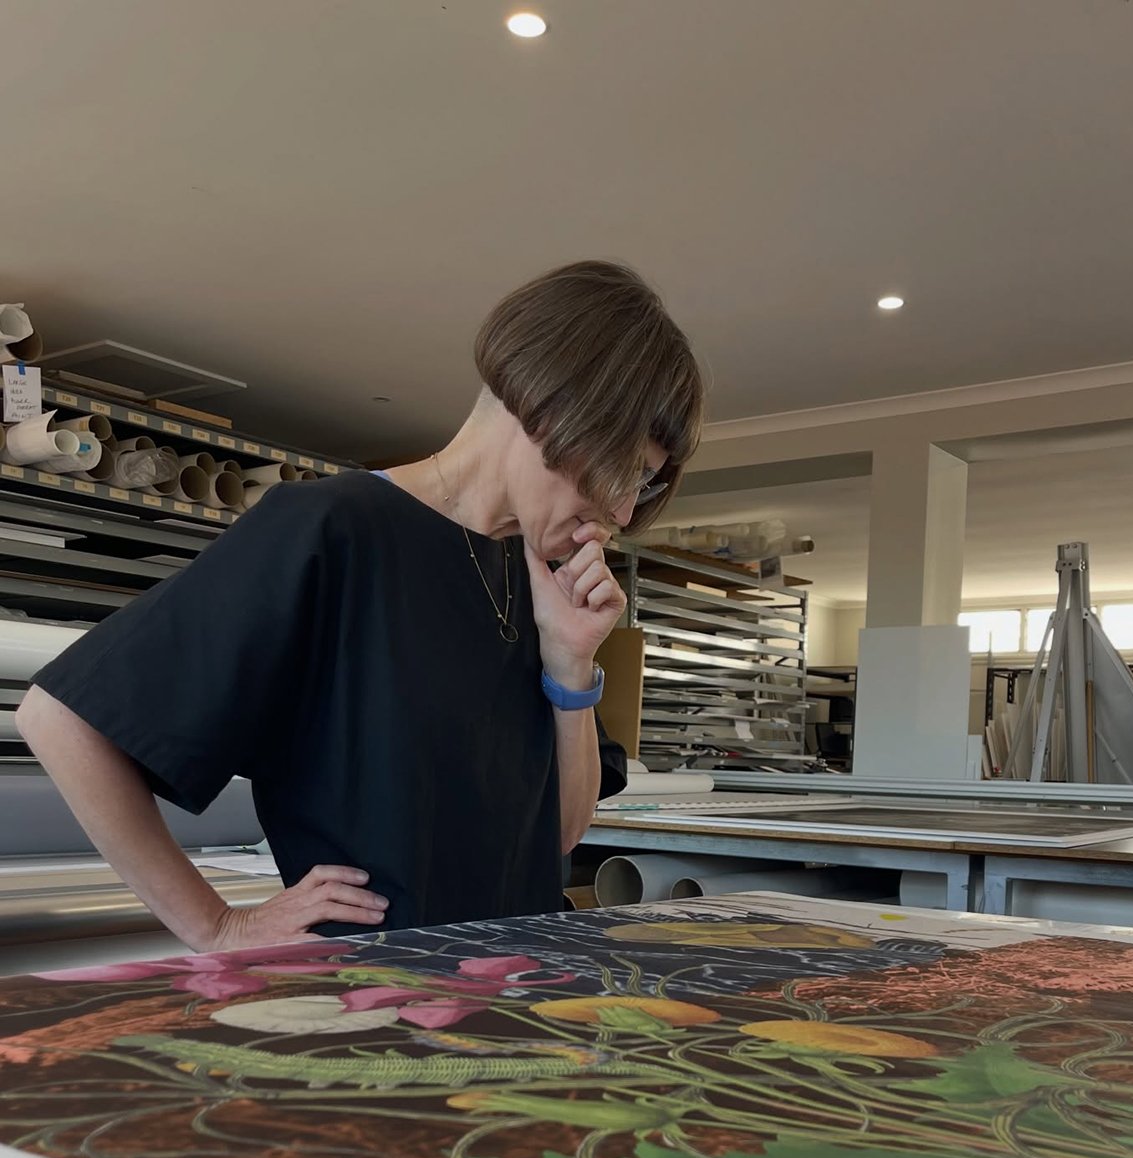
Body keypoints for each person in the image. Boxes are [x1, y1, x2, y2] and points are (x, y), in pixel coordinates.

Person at [17, 261, 704, 947]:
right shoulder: (330, 530)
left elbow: (558, 833)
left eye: (642, 484)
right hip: (374, 989)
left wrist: (571, 666)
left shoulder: (537, 580)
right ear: (556, 407)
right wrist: (218, 925)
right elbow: (60, 720)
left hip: (519, 980)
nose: (622, 511)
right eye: (627, 471)